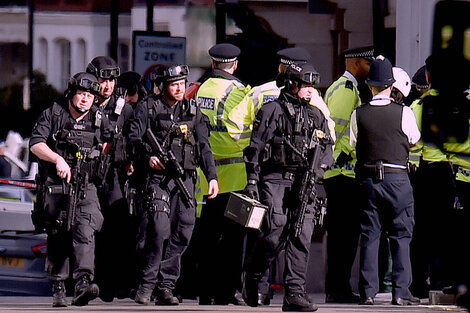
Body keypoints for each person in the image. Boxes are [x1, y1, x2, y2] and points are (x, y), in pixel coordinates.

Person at [241, 62, 334, 312]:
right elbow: (255, 148)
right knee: (276, 230)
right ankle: (253, 275)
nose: (310, 90)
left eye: (312, 86)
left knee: (301, 235)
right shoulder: (271, 111)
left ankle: (294, 292)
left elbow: (327, 150)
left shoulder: (316, 114)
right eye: (305, 85)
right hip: (274, 179)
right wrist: (252, 181)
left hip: (304, 181)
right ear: (292, 84)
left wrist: (319, 170)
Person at [127, 64, 219, 306]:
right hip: (157, 179)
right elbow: (134, 140)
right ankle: (146, 285)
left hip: (185, 179)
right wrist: (148, 158)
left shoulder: (193, 110)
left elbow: (204, 147)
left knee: (183, 231)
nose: (179, 89)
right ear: (163, 86)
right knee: (158, 229)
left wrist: (212, 177)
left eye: (182, 83)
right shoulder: (148, 108)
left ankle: (166, 286)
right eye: (174, 84)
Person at [29, 72, 114, 307]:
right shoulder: (54, 113)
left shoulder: (98, 118)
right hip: (57, 185)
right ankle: (58, 286)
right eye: (82, 94)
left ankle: (83, 283)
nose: (86, 99)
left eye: (90, 95)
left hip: (86, 184)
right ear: (72, 94)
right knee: (58, 232)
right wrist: (57, 159)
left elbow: (110, 142)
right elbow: (36, 143)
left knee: (85, 230)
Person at [350, 55, 421, 305]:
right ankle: (400, 292)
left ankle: (368, 292)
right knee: (401, 235)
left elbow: (353, 143)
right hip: (398, 178)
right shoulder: (404, 112)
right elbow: (414, 139)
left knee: (370, 234)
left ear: (370, 85)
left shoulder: (358, 114)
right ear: (392, 85)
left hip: (369, 180)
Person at [194, 43, 251, 305]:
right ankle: (229, 292)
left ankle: (205, 291)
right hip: (234, 174)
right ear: (235, 64)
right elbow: (244, 130)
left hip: (204, 175)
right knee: (233, 237)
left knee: (206, 236)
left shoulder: (200, 88)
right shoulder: (240, 91)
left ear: (214, 64)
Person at [322, 45, 374, 303]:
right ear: (356, 63)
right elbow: (338, 130)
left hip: (341, 174)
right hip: (343, 173)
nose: (370, 68)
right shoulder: (345, 90)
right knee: (344, 235)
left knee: (343, 234)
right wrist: (347, 154)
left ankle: (338, 287)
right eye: (368, 63)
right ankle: (338, 288)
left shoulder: (343, 87)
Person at [86, 56, 135, 301]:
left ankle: (115, 283)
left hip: (115, 174)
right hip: (89, 173)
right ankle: (90, 280)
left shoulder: (123, 108)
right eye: (103, 81)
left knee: (117, 226)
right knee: (90, 226)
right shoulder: (83, 102)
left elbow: (134, 137)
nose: (107, 86)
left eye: (112, 81)